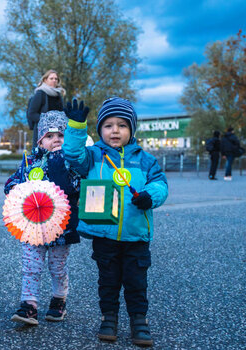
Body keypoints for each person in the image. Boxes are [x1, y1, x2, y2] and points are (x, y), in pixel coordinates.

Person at [62, 98, 168, 347]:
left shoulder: (145, 159)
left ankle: (139, 321)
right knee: (108, 281)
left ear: (132, 129)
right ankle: (108, 318)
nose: (115, 130)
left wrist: (149, 196)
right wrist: (77, 126)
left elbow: (160, 183)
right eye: (108, 125)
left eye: (122, 125)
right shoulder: (92, 157)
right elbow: (72, 154)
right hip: (104, 234)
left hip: (136, 235)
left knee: (136, 281)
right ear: (99, 130)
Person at [4, 111, 81, 326]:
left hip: (61, 227)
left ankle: (59, 299)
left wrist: (58, 160)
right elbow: (13, 182)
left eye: (61, 135)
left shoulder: (70, 162)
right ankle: (29, 305)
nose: (56, 139)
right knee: (31, 266)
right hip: (32, 226)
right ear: (40, 140)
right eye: (49, 136)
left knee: (57, 267)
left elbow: (74, 187)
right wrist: (15, 188)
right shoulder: (30, 161)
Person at [26, 70, 65, 145]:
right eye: (51, 78)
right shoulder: (40, 94)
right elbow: (31, 114)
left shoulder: (58, 95)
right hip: (43, 134)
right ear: (45, 80)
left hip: (58, 133)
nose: (54, 80)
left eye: (56, 79)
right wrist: (48, 120)